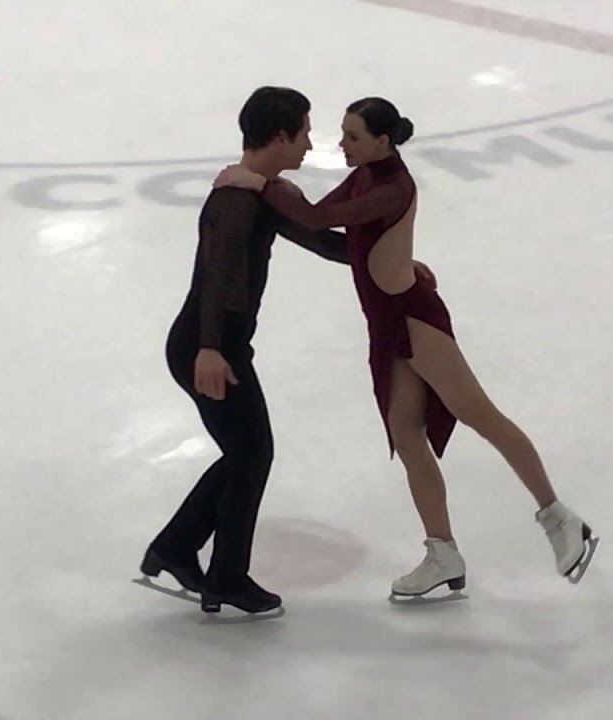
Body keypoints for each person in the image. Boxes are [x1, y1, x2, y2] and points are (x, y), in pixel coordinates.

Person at [213, 96, 598, 598]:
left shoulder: (392, 187)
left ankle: (559, 519)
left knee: (480, 414)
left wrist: (261, 182)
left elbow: (312, 220)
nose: (342, 144)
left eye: (352, 137)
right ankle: (443, 552)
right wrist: (272, 188)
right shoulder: (365, 175)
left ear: (382, 141)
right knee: (406, 432)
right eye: (343, 134)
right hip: (387, 324)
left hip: (414, 319)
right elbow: (325, 221)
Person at [140, 87, 436, 615]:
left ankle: (177, 549)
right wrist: (210, 349)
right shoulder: (236, 200)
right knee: (252, 453)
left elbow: (325, 240)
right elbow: (214, 277)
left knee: (246, 452)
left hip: (217, 343)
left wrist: (399, 267)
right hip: (208, 345)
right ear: (279, 135)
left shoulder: (262, 192)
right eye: (303, 132)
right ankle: (223, 575)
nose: (309, 144)